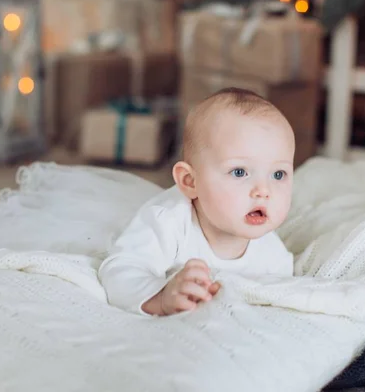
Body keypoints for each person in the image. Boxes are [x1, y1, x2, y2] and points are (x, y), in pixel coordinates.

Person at [98, 87, 295, 316]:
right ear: (191, 181)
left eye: (278, 174)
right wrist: (160, 297)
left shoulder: (273, 255)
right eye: (240, 172)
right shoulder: (167, 221)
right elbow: (120, 270)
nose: (264, 191)